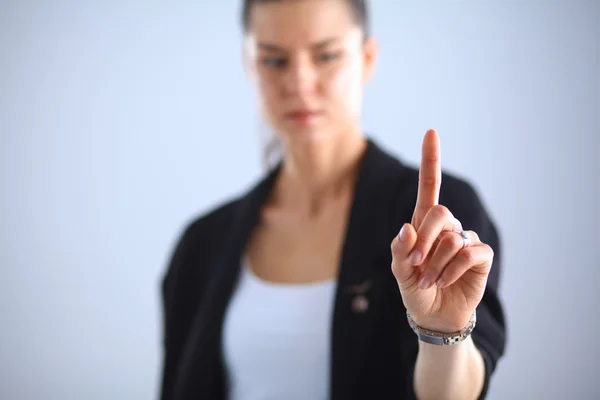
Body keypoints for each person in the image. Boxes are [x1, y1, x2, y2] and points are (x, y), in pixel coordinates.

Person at [158, 0, 506, 399]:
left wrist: (443, 331)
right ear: (249, 65)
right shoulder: (203, 243)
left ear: (367, 58)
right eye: (274, 61)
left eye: (326, 56)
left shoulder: (436, 218)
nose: (300, 83)